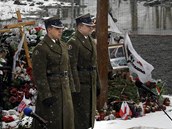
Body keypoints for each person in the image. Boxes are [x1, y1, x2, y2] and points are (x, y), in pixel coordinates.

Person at [31, 16, 75, 129]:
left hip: (65, 91)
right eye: (57, 28)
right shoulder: (41, 48)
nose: (60, 31)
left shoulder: (63, 46)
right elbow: (39, 75)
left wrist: (72, 88)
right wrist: (46, 96)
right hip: (52, 92)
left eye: (61, 28)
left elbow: (68, 68)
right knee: (54, 123)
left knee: (67, 122)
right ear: (49, 29)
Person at [67, 13, 100, 129]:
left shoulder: (90, 40)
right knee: (80, 116)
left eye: (91, 26)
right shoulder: (73, 42)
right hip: (81, 84)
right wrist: (75, 87)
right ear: (80, 27)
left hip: (90, 82)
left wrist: (98, 83)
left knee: (89, 114)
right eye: (88, 26)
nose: (91, 28)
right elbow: (71, 66)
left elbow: (94, 64)